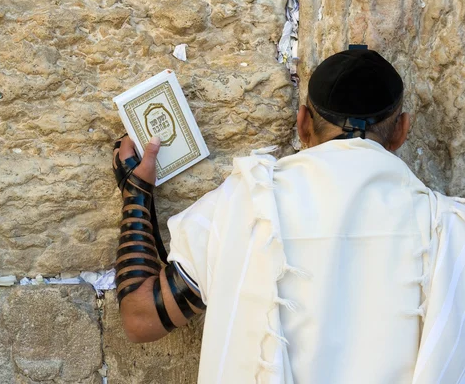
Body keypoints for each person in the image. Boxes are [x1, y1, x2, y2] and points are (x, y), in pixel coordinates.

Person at [111, 49, 465, 384]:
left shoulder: (242, 206)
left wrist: (136, 193)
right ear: (401, 129)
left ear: (303, 123)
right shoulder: (449, 231)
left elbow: (141, 318)